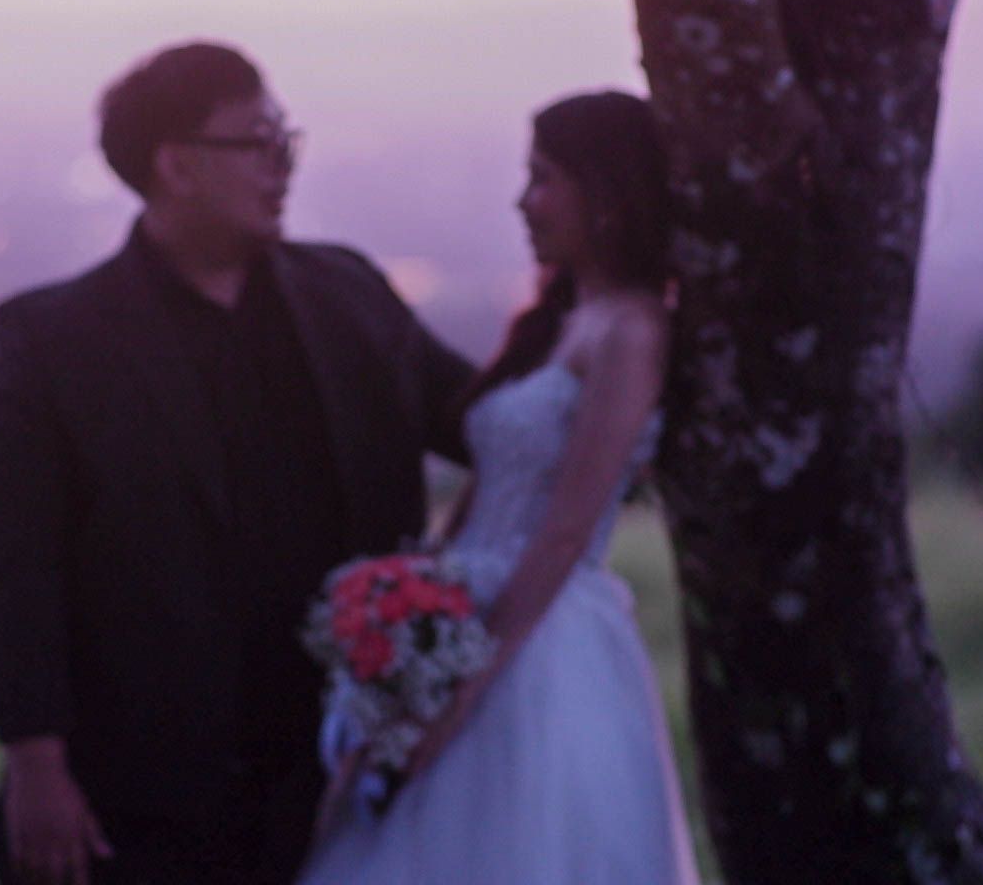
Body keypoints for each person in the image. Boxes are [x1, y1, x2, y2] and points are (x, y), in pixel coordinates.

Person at [0, 41, 473, 885]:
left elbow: (483, 423)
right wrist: (36, 766)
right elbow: (19, 567)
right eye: (258, 142)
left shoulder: (347, 295)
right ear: (177, 166)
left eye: (287, 141)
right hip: (140, 788)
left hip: (339, 771)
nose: (283, 166)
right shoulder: (56, 342)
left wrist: (612, 342)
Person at [299, 91, 703, 884]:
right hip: (460, 613)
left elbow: (564, 531)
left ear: (607, 192)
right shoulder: (553, 324)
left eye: (543, 178)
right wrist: (407, 610)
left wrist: (461, 696)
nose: (524, 202)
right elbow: (480, 496)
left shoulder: (631, 331)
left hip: (540, 639)